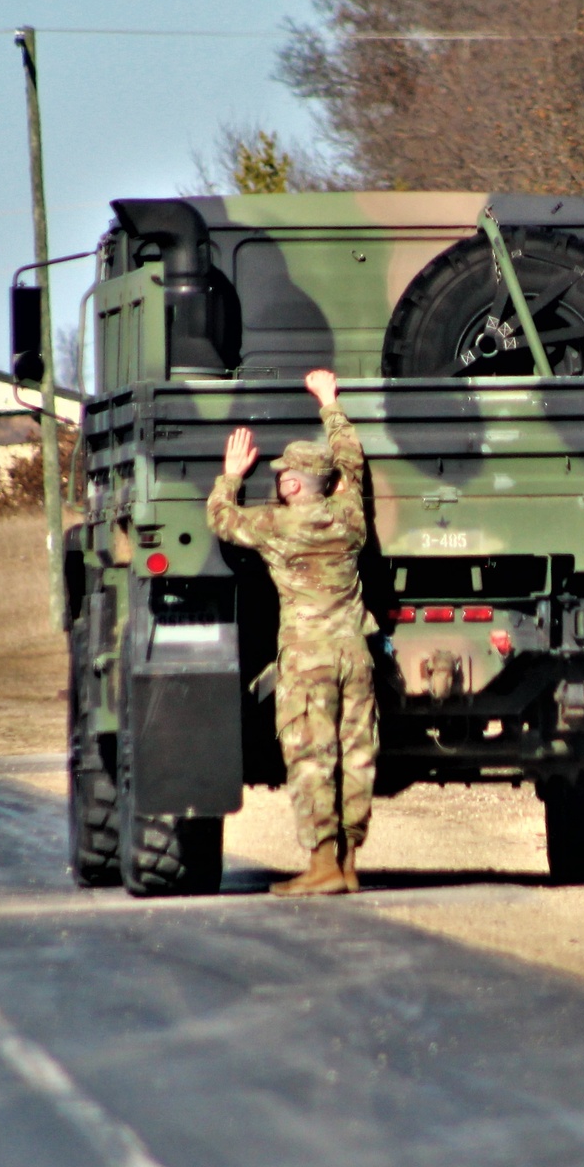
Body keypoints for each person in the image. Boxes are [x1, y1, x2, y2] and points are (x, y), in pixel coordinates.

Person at [206, 369, 378, 896]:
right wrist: (330, 403)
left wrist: (230, 475)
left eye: (284, 475)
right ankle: (348, 863)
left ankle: (322, 864)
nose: (279, 480)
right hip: (355, 654)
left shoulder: (277, 526)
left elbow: (219, 518)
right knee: (357, 755)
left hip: (308, 660)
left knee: (311, 757)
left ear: (294, 482)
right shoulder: (350, 518)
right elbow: (351, 460)